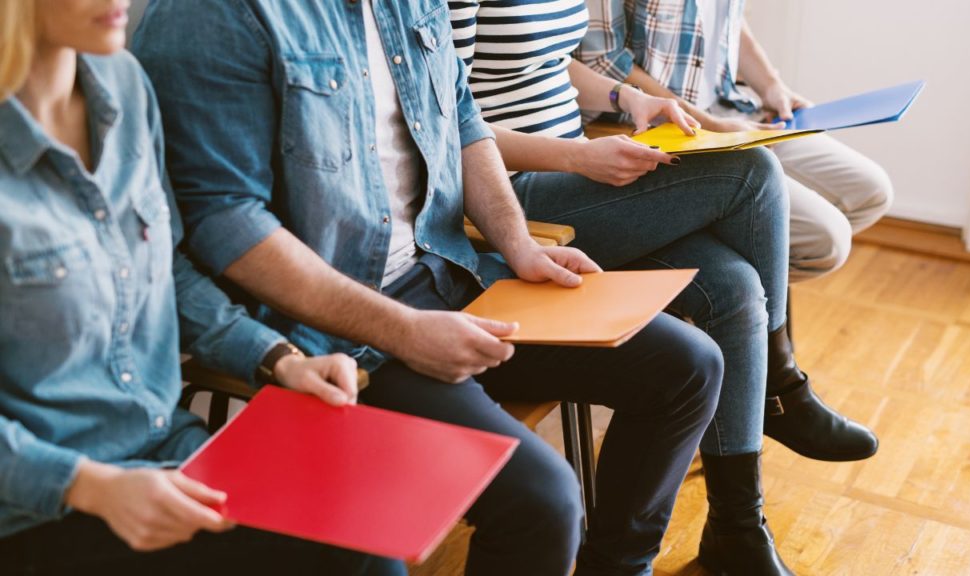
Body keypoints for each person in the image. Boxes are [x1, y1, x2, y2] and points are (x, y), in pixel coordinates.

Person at [132, 1, 724, 575]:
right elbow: (223, 220)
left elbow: (461, 117)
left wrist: (517, 244)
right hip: (339, 335)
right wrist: (404, 330)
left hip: (449, 273)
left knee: (689, 366)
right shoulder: (211, 13)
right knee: (543, 502)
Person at [446, 1, 878, 574]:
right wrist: (578, 156)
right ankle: (783, 388)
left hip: (575, 170)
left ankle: (737, 527)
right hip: (512, 192)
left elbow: (546, 61)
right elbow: (446, 122)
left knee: (737, 287)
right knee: (752, 172)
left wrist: (626, 98)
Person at [0, 1, 404, 574]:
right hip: (39, 510)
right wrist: (89, 487)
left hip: (167, 453)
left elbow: (167, 270)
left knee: (362, 528)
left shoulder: (124, 84)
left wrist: (277, 358)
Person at [578, 0, 895, 282]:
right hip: (655, 129)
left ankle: (735, 291)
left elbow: (731, 20)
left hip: (729, 109)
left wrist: (771, 86)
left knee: (870, 191)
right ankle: (725, 302)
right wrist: (708, 124)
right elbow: (603, 60)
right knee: (824, 241)